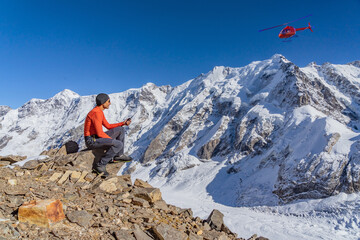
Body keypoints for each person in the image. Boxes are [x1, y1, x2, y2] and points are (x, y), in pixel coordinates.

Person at [84, 93, 132, 177]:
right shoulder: (96, 113)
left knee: (120, 129)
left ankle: (118, 156)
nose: (110, 103)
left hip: (96, 137)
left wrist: (123, 123)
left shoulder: (99, 111)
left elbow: (108, 126)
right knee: (118, 144)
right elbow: (100, 133)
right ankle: (100, 165)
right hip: (92, 140)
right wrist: (112, 141)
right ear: (103, 103)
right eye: (108, 101)